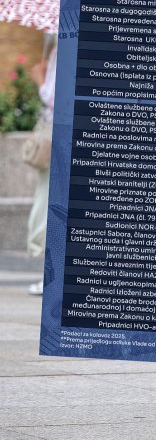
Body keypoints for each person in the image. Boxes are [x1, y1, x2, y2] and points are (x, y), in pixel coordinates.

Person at [27, 44, 57, 295]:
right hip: (56, 138)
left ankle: (48, 278)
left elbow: (52, 97)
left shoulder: (61, 49)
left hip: (53, 139)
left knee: (46, 206)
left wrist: (40, 76)